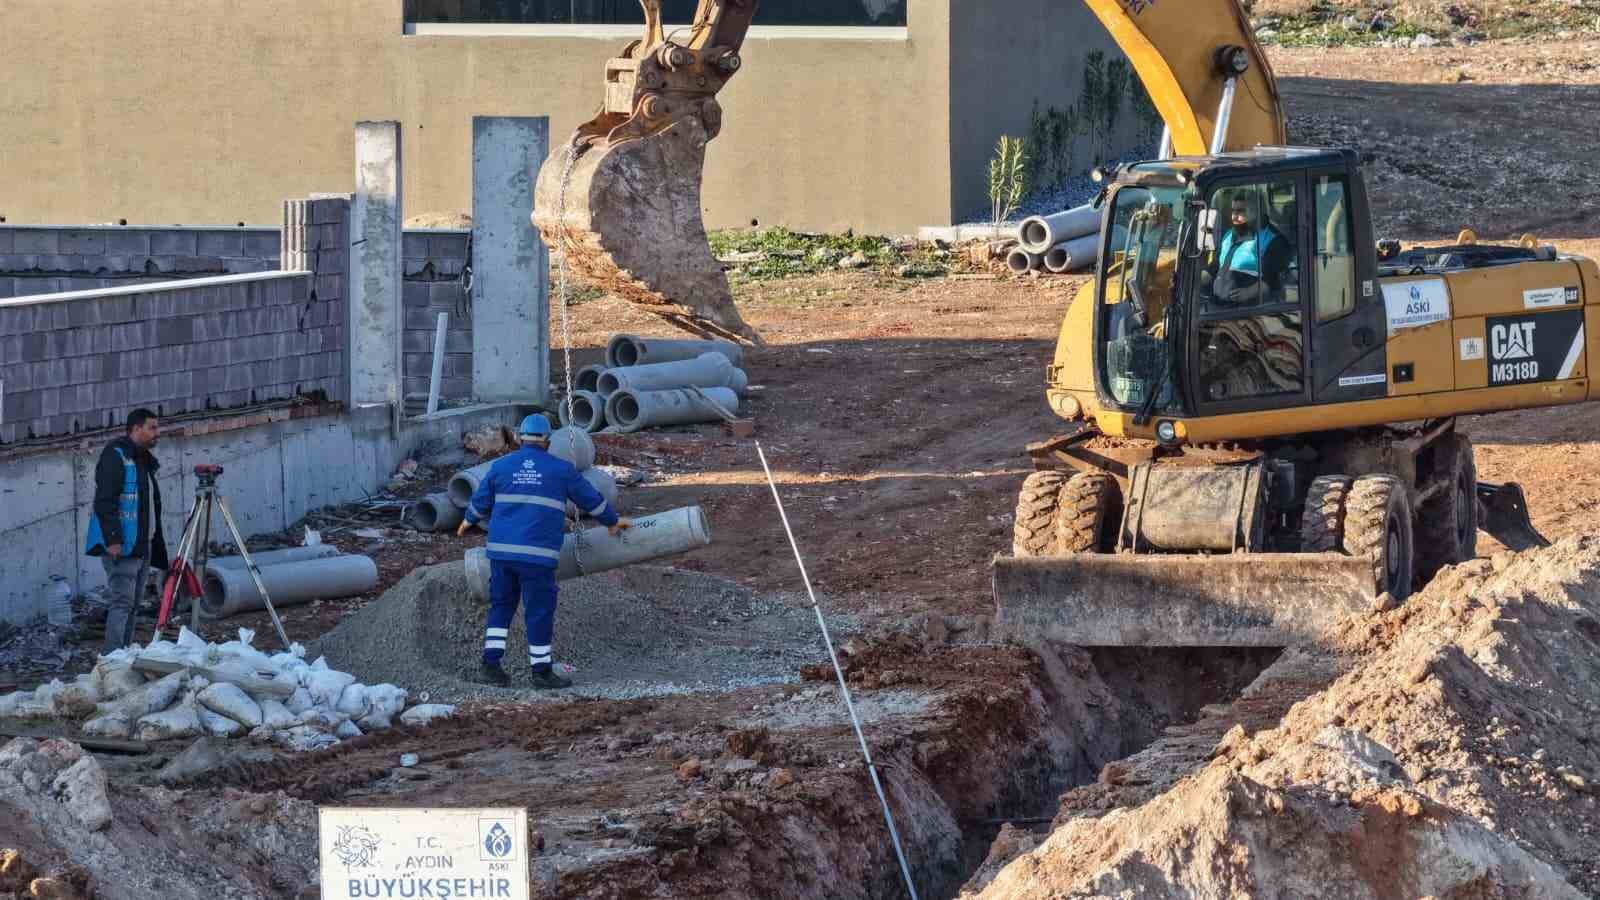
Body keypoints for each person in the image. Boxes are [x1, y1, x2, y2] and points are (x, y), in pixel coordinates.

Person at [457, 414, 631, 689]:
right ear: (547, 442)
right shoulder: (561, 470)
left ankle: (490, 666)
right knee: (538, 611)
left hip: (501, 554)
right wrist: (612, 521)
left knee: (501, 607)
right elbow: (591, 499)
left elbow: (480, 502)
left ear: (520, 439)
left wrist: (467, 520)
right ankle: (540, 672)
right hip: (536, 556)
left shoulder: (501, 466)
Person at [84, 408, 168, 651]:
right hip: (121, 546)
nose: (157, 433)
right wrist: (113, 540)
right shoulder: (116, 456)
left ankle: (125, 653)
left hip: (141, 545)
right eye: (152, 428)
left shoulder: (141, 459)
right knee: (122, 602)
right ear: (136, 429)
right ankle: (112, 660)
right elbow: (104, 501)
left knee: (133, 604)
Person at [1209, 192, 1293, 307]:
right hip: (1219, 307)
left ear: (1256, 211)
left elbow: (1273, 281)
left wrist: (1248, 293)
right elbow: (1215, 267)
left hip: (1252, 312)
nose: (1234, 216)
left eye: (1240, 211)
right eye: (1233, 211)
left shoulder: (1272, 240)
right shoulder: (1228, 235)